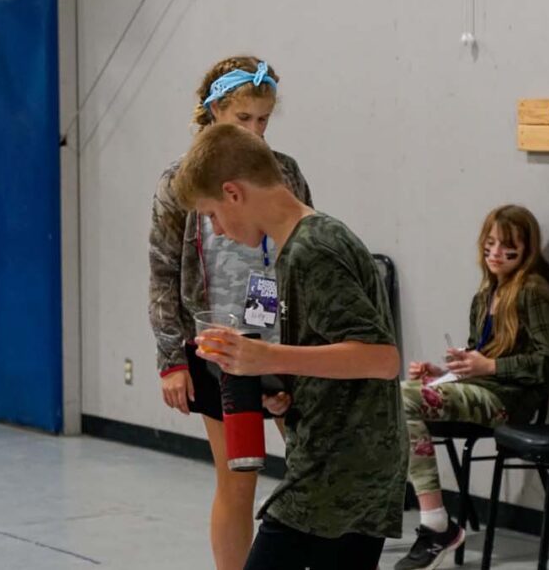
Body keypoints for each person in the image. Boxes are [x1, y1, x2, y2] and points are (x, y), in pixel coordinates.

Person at [173, 123, 407, 570]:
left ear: (233, 193)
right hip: (344, 460)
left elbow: (381, 358)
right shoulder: (303, 244)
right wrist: (284, 387)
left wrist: (269, 356)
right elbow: (336, 351)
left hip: (338, 470)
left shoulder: (312, 250)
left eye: (213, 215)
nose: (217, 230)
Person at [147, 56, 312, 570]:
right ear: (215, 110)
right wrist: (171, 361)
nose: (255, 131)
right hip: (216, 346)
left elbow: (305, 256)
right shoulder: (179, 181)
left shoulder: (285, 173)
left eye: (263, 120)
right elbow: (162, 273)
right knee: (238, 479)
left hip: (280, 343)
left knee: (312, 470)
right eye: (244, 119)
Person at [394, 204, 549, 570]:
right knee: (395, 395)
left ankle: (436, 524)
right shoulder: (486, 295)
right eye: (490, 243)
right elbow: (480, 357)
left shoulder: (533, 292)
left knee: (401, 398)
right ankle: (431, 520)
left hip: (508, 400)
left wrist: (490, 366)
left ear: (526, 249)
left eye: (507, 246)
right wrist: (444, 373)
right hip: (482, 391)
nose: (496, 253)